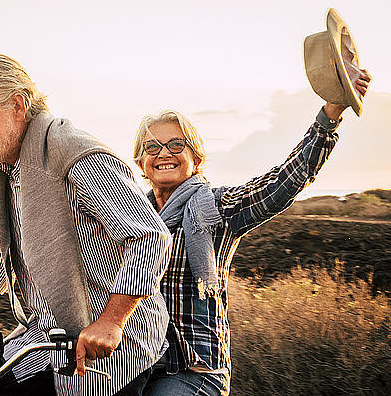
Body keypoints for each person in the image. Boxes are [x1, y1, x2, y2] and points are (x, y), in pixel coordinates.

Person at [0, 52, 172, 396]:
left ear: (18, 105)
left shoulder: (77, 157)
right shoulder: (7, 168)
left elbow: (149, 237)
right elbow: (5, 245)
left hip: (112, 347)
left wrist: (111, 320)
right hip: (45, 335)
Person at [132, 71, 372, 395]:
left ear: (196, 157)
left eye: (177, 144)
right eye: (153, 146)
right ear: (140, 160)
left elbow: (281, 183)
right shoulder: (132, 219)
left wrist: (329, 115)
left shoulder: (215, 207)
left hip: (194, 371)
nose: (164, 153)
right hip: (136, 367)